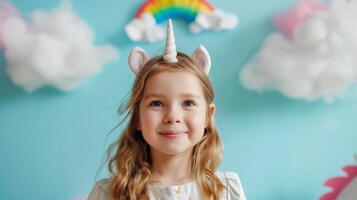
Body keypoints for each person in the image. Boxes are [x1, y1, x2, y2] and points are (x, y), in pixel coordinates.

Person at [88, 19, 247, 200]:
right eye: (157, 103)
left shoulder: (227, 191)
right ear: (138, 118)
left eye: (188, 103)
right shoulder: (108, 193)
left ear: (207, 116)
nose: (172, 117)